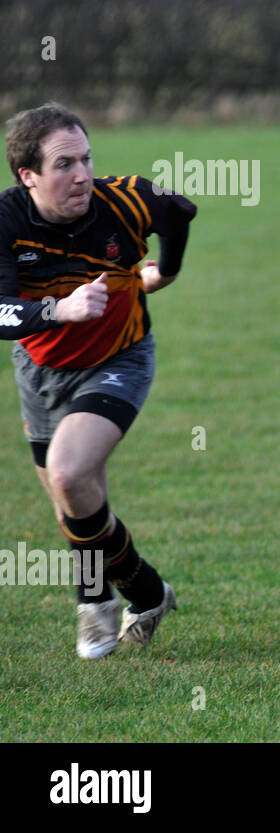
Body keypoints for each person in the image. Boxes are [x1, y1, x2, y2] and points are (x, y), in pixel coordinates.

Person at [2, 102, 196, 658]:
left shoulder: (126, 198)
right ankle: (147, 591)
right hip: (40, 369)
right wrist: (58, 311)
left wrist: (167, 270)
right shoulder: (7, 222)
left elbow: (180, 209)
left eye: (86, 159)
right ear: (28, 175)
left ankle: (95, 604)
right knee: (77, 497)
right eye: (64, 164)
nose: (82, 175)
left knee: (67, 473)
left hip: (120, 357)